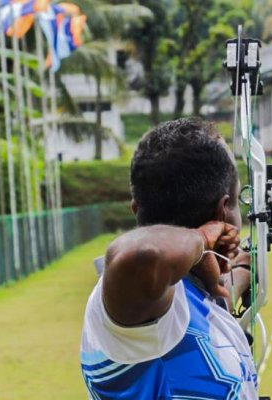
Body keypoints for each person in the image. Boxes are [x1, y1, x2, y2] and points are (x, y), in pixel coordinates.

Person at [80, 119, 258, 399]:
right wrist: (202, 239)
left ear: (136, 209)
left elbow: (203, 311)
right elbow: (141, 255)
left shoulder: (186, 291)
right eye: (237, 203)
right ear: (223, 211)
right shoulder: (137, 302)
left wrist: (242, 267)